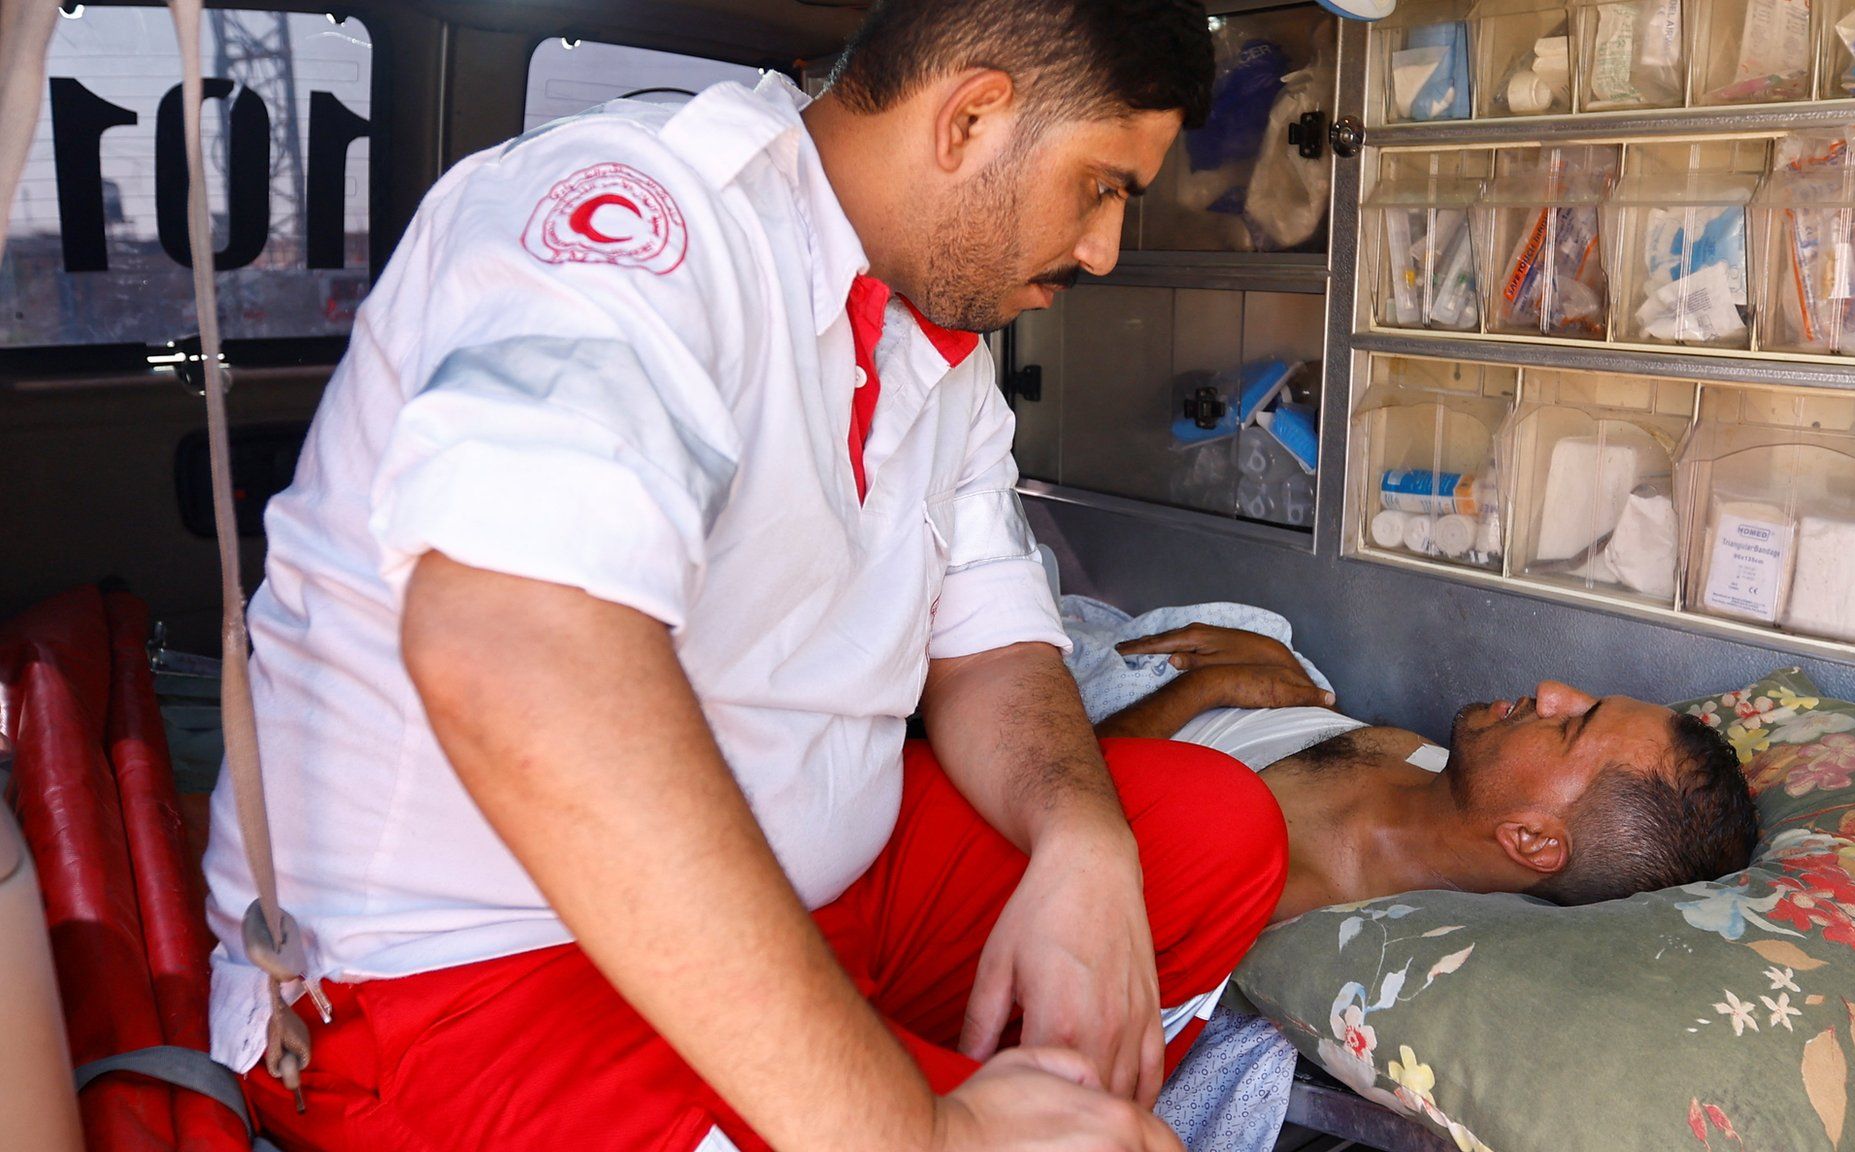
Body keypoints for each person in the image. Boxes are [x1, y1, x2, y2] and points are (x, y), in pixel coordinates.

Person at [202, 4, 1287, 1151]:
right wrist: (910, 1129)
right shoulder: (643, 219)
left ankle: (903, 1080)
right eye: (1101, 186)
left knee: (1204, 836)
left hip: (812, 898)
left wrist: (1080, 838)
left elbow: (989, 641)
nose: (1105, 248)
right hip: (467, 974)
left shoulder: (939, 335)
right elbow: (508, 645)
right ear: (969, 118)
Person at [1092, 623, 1761, 921]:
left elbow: (1062, 805)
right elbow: (1316, 735)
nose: (1552, 689)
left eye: (1570, 725)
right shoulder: (1436, 767)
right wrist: (1284, 681)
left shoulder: (1286, 881)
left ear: (1531, 840)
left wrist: (1204, 691)